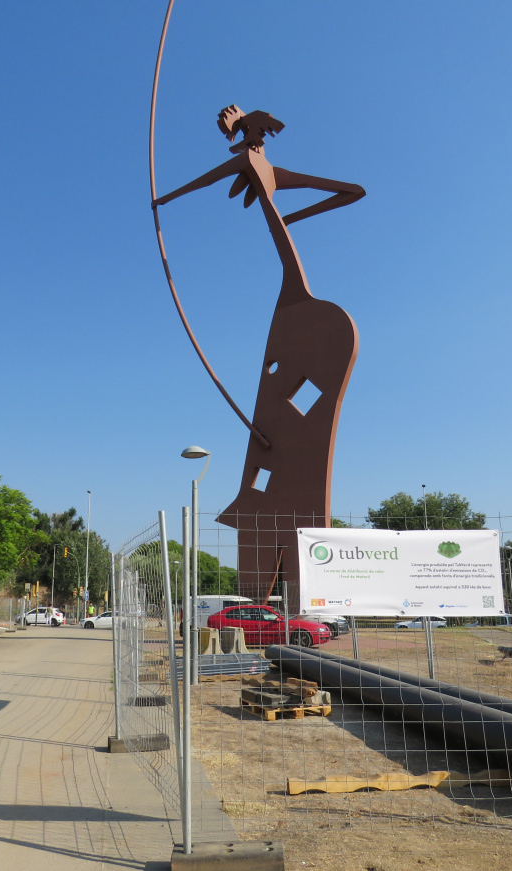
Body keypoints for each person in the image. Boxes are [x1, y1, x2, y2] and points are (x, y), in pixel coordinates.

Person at [154, 105, 365, 605]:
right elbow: (352, 192)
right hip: (294, 308)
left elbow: (201, 182)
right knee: (284, 407)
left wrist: (162, 200)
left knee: (286, 404)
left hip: (297, 310)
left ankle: (274, 536)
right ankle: (279, 546)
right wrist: (287, 214)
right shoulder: (266, 168)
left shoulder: (255, 166)